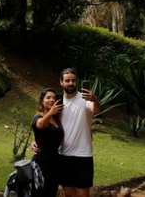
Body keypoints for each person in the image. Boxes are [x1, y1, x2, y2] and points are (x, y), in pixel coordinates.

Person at [33, 68, 101, 197]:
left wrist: (94, 99)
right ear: (61, 82)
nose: (71, 83)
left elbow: (96, 109)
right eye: (67, 80)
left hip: (83, 154)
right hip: (63, 155)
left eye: (73, 81)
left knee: (83, 194)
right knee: (68, 193)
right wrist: (37, 141)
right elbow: (48, 126)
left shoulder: (85, 99)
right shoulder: (57, 103)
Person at [31, 88, 65, 197]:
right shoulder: (38, 117)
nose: (51, 100)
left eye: (54, 98)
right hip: (42, 163)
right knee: (39, 193)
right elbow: (41, 125)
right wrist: (50, 113)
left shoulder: (57, 119)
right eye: (48, 97)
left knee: (52, 192)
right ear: (42, 101)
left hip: (55, 163)